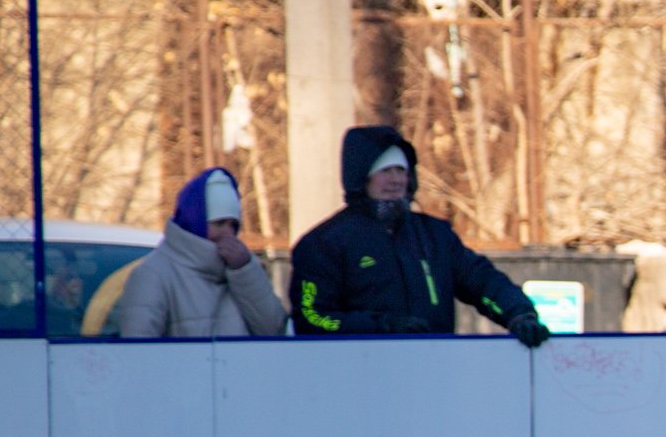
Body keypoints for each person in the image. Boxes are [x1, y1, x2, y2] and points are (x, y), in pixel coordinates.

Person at [289, 125, 550, 346]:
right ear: (362, 178)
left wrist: (519, 314)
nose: (395, 180)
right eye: (385, 171)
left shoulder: (435, 236)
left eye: (401, 170)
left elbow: (481, 280)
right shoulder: (324, 243)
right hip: (360, 376)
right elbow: (312, 317)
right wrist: (383, 327)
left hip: (433, 370)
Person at [113, 166, 287, 338]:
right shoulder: (153, 274)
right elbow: (140, 351)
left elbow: (274, 331)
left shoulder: (244, 269)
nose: (228, 233)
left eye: (233, 225)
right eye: (219, 224)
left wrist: (244, 272)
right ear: (195, 223)